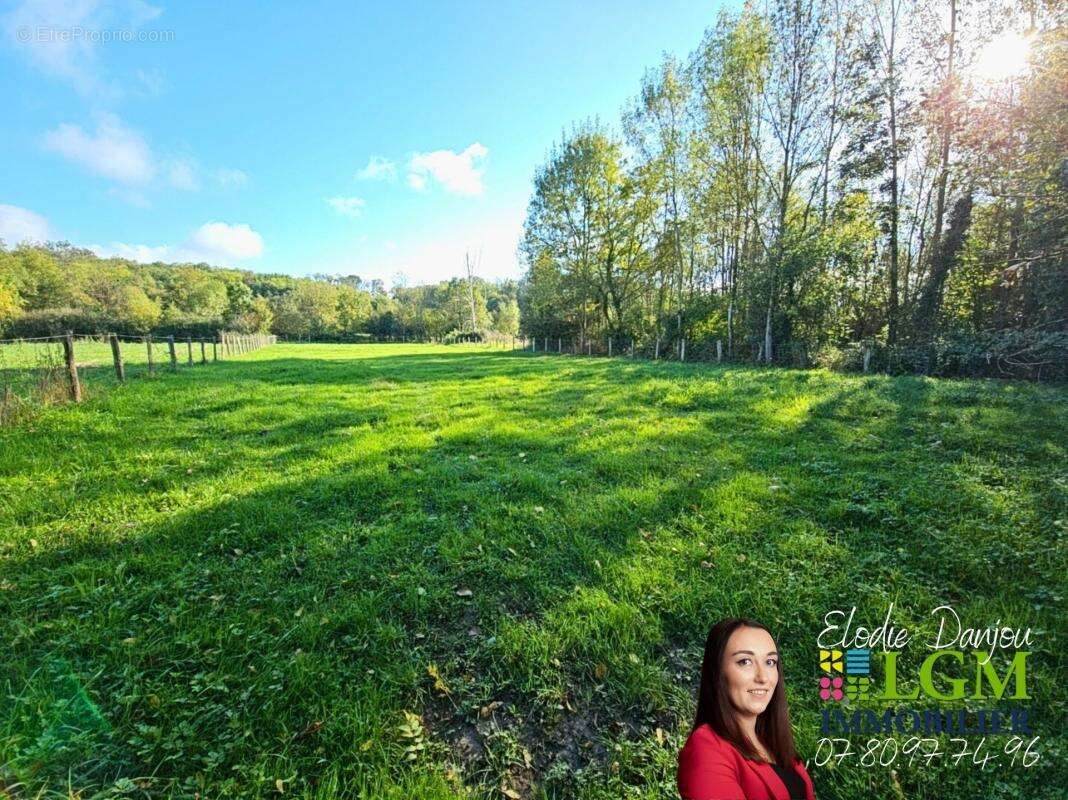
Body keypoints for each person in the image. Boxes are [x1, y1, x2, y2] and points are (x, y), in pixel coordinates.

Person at [677, 618, 815, 800]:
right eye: (745, 662)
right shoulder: (706, 748)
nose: (763, 678)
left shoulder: (773, 743)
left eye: (770, 662)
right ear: (716, 671)